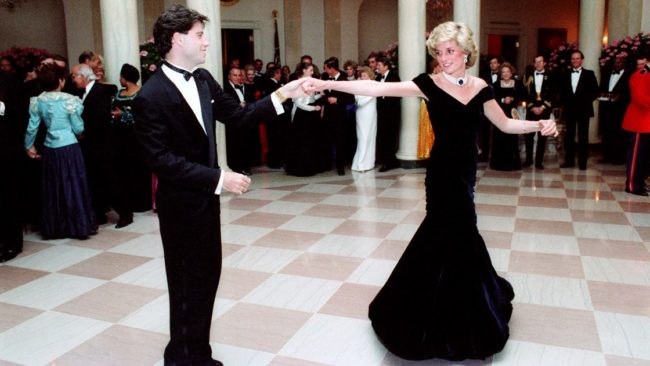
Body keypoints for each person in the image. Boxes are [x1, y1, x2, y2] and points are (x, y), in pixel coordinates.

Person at [306, 21, 557, 361]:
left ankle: (468, 303)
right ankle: (432, 310)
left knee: (461, 231)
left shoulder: (481, 86)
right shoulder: (428, 84)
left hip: (466, 171)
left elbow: (506, 124)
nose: (444, 58)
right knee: (448, 230)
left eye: (450, 51)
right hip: (441, 172)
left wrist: (538, 125)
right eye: (439, 52)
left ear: (466, 53)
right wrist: (324, 82)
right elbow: (379, 90)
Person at [132, 5, 308, 365]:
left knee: (206, 278)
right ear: (178, 39)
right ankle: (181, 357)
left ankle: (197, 352)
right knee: (184, 284)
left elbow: (240, 117)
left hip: (205, 204)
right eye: (199, 34)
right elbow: (160, 160)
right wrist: (219, 177)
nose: (206, 41)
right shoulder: (150, 96)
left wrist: (283, 94)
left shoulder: (203, 79)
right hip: (180, 205)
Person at [24, 64, 96, 240]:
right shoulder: (70, 100)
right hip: (70, 146)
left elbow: (32, 127)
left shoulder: (38, 101)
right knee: (74, 184)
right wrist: (78, 132)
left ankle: (56, 227)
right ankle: (79, 226)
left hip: (50, 147)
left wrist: (29, 146)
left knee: (54, 186)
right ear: (61, 81)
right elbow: (78, 127)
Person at [110, 63, 150, 229]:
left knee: (139, 168)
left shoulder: (142, 93)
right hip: (120, 138)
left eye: (121, 76)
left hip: (137, 137)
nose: (119, 79)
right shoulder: (118, 94)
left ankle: (143, 202)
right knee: (125, 170)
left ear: (125, 78)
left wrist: (123, 114)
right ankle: (130, 201)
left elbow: (145, 115)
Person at [559, 50, 599, 170]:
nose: (575, 61)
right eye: (573, 59)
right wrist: (566, 103)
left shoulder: (589, 74)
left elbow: (594, 92)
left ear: (581, 59)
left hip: (584, 110)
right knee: (569, 137)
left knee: (583, 137)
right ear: (571, 60)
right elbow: (562, 92)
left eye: (577, 58)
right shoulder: (565, 73)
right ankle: (569, 161)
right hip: (570, 110)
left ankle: (583, 163)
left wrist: (583, 101)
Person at [0, 68, 24, 262]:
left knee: (9, 196)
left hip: (7, 150)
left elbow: (19, 114)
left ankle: (12, 243)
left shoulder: (9, 80)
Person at [285, 62, 322, 176]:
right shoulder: (297, 84)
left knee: (308, 142)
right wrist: (313, 108)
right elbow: (299, 103)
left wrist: (319, 95)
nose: (312, 72)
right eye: (310, 70)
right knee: (302, 142)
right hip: (301, 116)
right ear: (304, 71)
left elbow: (309, 98)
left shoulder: (308, 82)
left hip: (307, 116)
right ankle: (300, 168)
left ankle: (309, 166)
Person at [621, 52, 650, 196]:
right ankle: (632, 185)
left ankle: (641, 181)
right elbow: (640, 98)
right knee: (636, 157)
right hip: (640, 122)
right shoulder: (640, 74)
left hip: (647, 122)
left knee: (645, 157)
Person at [490, 62, 525, 171]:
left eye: (507, 72)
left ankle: (512, 164)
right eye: (503, 72)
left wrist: (513, 99)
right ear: (500, 73)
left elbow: (523, 96)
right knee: (499, 137)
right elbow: (492, 98)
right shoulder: (496, 84)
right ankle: (499, 164)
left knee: (511, 138)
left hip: (512, 114)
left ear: (511, 73)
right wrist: (502, 100)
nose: (505, 74)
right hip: (499, 113)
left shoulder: (518, 83)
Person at [524, 54, 556, 169]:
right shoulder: (528, 76)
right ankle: (528, 160)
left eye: (540, 61)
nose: (538, 64)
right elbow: (525, 94)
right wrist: (532, 107)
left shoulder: (551, 76)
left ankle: (539, 162)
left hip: (545, 110)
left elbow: (553, 94)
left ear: (544, 63)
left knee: (542, 137)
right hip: (531, 110)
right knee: (528, 136)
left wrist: (542, 107)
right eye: (536, 62)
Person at [598, 56, 630, 165]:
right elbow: (601, 88)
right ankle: (606, 156)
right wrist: (602, 94)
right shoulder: (607, 74)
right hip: (606, 108)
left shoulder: (628, 76)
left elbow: (629, 93)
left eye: (620, 62)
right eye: (616, 62)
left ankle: (619, 158)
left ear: (624, 63)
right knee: (606, 132)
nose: (617, 64)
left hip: (620, 110)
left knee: (619, 134)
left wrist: (619, 97)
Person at [375, 55, 402, 172]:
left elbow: (398, 94)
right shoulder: (377, 78)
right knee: (383, 136)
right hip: (381, 112)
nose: (377, 67)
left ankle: (389, 162)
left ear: (386, 66)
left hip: (391, 113)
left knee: (390, 137)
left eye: (379, 65)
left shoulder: (394, 77)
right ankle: (388, 160)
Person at [352, 66, 377, 172]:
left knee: (370, 136)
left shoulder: (374, 86)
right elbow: (359, 101)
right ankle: (360, 163)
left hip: (371, 114)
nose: (363, 78)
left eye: (365, 76)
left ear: (370, 76)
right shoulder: (358, 87)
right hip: (361, 114)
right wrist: (370, 95)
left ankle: (369, 163)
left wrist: (370, 94)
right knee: (363, 137)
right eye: (362, 76)